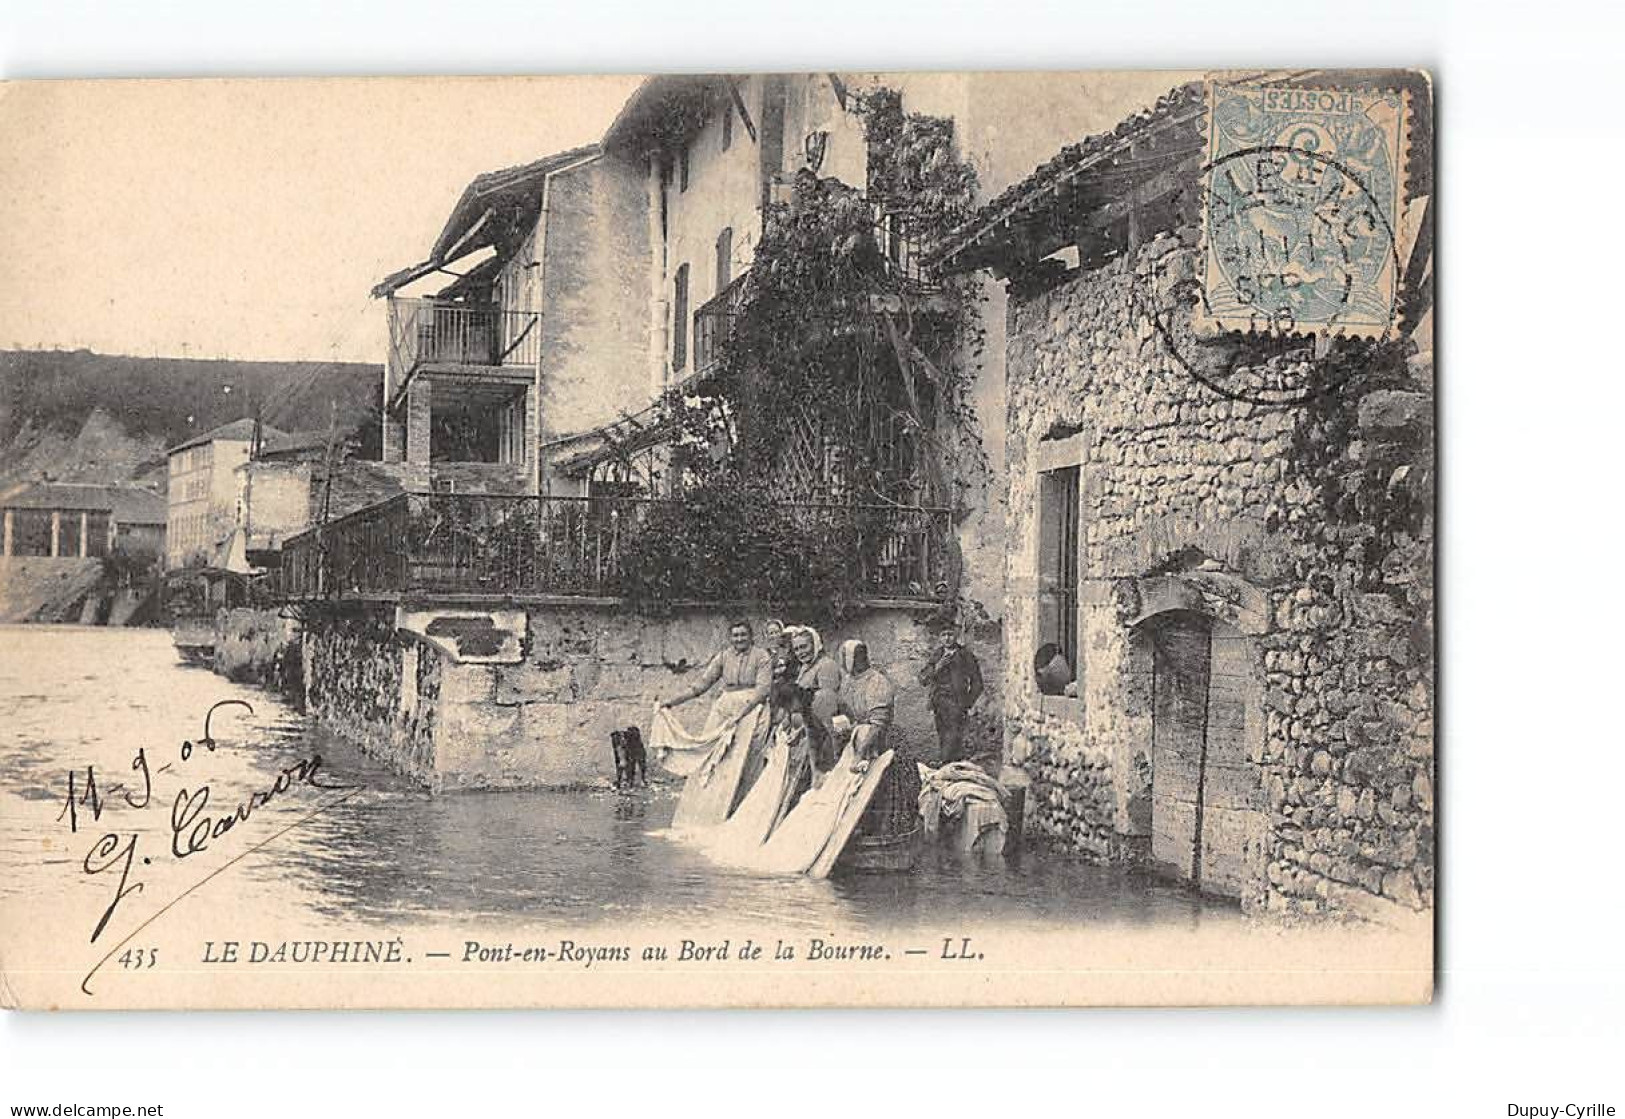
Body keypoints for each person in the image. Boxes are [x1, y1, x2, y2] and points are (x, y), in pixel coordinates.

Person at [660, 619, 773, 827]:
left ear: (751, 636)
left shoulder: (762, 657)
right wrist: (673, 701)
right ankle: (706, 812)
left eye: (743, 635)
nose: (739, 639)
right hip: (725, 707)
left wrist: (742, 712)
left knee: (747, 758)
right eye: (735, 635)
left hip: (752, 709)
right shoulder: (723, 656)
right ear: (730, 638)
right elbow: (701, 685)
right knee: (714, 757)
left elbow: (763, 689)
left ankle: (741, 813)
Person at [837, 639, 921, 843]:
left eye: (856, 657)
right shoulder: (849, 681)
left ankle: (885, 835)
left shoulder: (877, 682)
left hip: (881, 742)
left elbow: (878, 723)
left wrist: (860, 753)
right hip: (859, 737)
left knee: (883, 788)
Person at [917, 627, 984, 765]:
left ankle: (947, 763)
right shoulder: (937, 655)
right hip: (939, 702)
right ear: (940, 637)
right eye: (943, 634)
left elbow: (977, 682)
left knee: (954, 735)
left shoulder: (965, 655)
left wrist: (967, 702)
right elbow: (923, 679)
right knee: (942, 734)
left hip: (956, 702)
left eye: (950, 634)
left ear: (956, 635)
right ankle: (947, 766)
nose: (947, 638)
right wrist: (937, 667)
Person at [789, 626, 841, 771]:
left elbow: (827, 705)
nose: (801, 652)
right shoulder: (805, 668)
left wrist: (803, 730)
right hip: (805, 731)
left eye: (804, 646)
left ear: (815, 644)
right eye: (797, 649)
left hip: (821, 733)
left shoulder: (826, 666)